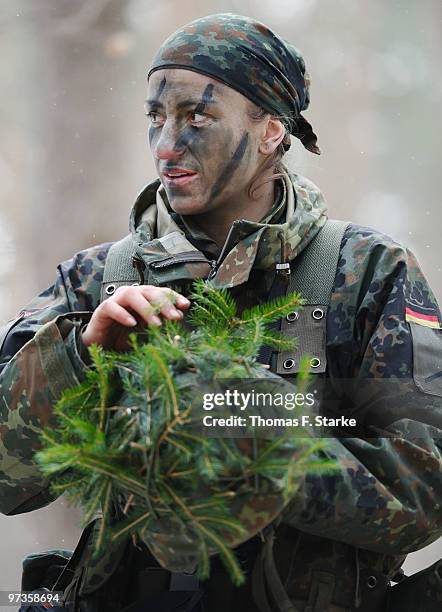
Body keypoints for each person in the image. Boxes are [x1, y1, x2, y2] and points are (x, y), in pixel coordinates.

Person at [1, 12, 442, 612]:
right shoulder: (93, 281)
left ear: (270, 130)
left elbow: (425, 487)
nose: (165, 146)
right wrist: (78, 359)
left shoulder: (365, 273)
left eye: (197, 118)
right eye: (156, 118)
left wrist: (259, 443)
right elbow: (7, 481)